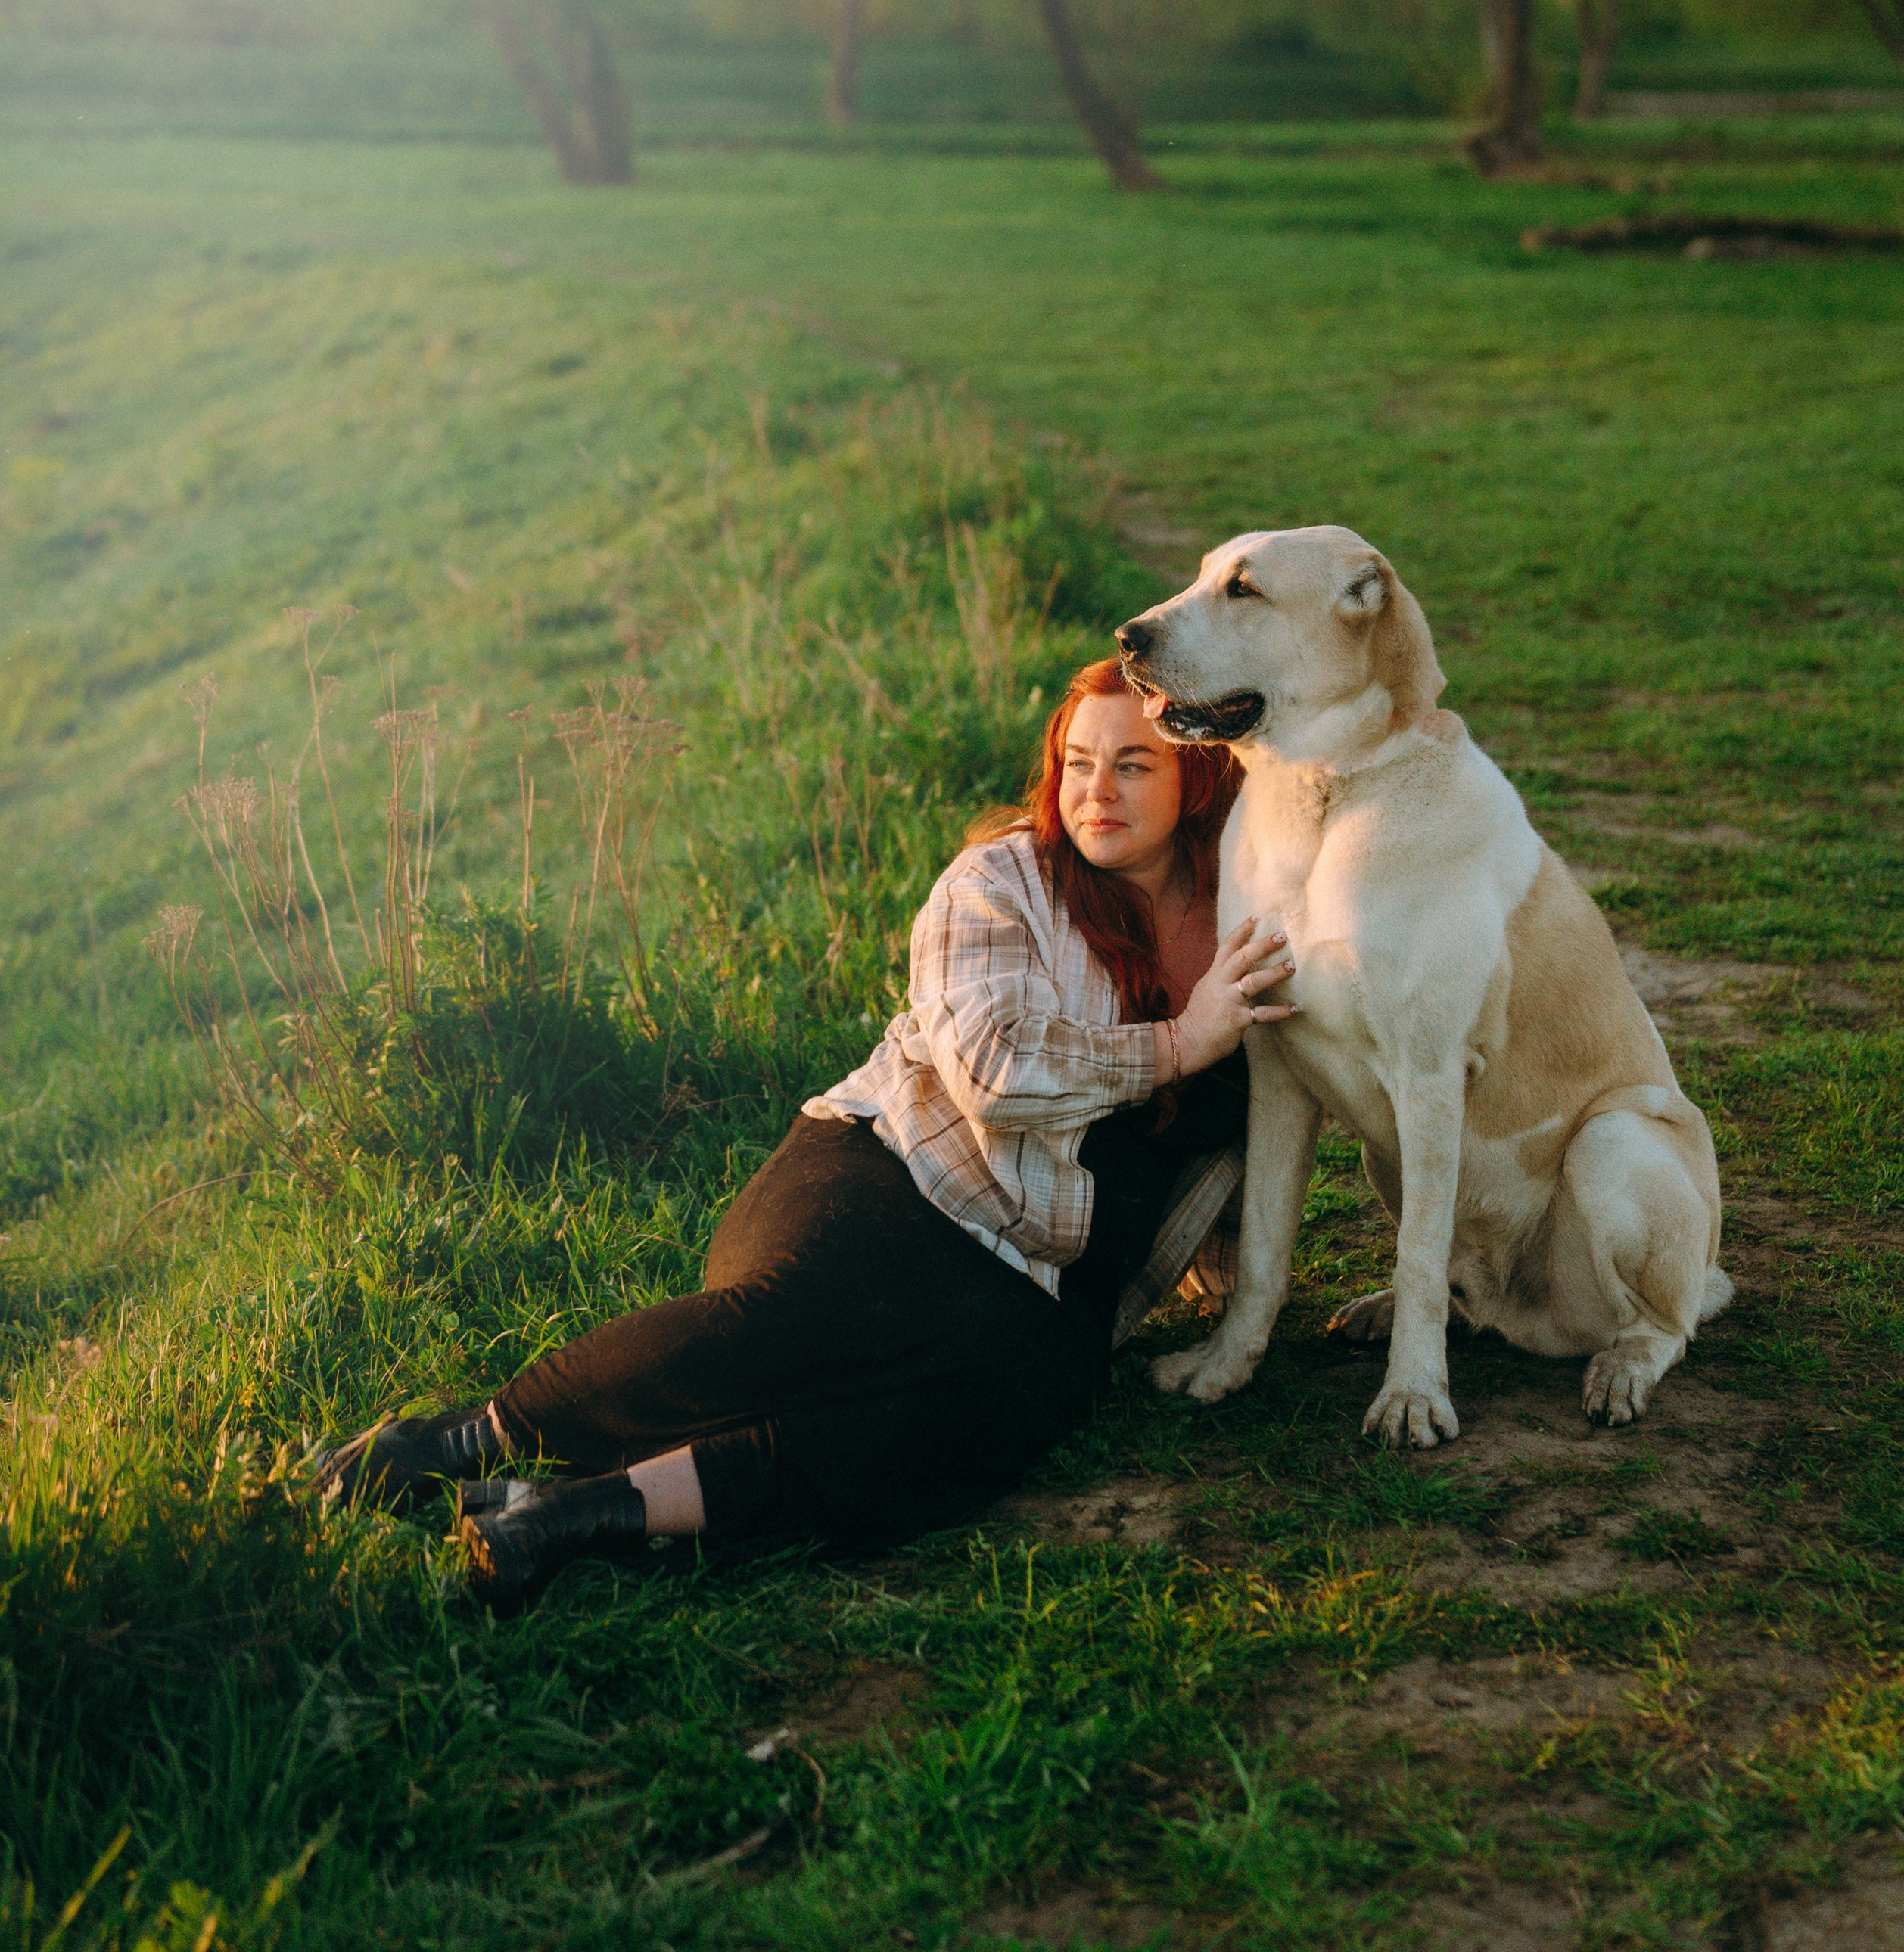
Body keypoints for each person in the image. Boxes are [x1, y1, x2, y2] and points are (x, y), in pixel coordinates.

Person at [316, 657, 1297, 1611]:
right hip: (901, 1171)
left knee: (978, 1421)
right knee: (798, 1320)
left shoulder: (1244, 918)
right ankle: (451, 1445)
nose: (1097, 791)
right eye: (1078, 763)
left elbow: (1273, 1113)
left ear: (1199, 777)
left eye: (1134, 764)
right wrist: (1183, 1042)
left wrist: (1244, 1282)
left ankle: (569, 1516)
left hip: (1044, 1280)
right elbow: (994, 1075)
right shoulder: (1002, 880)